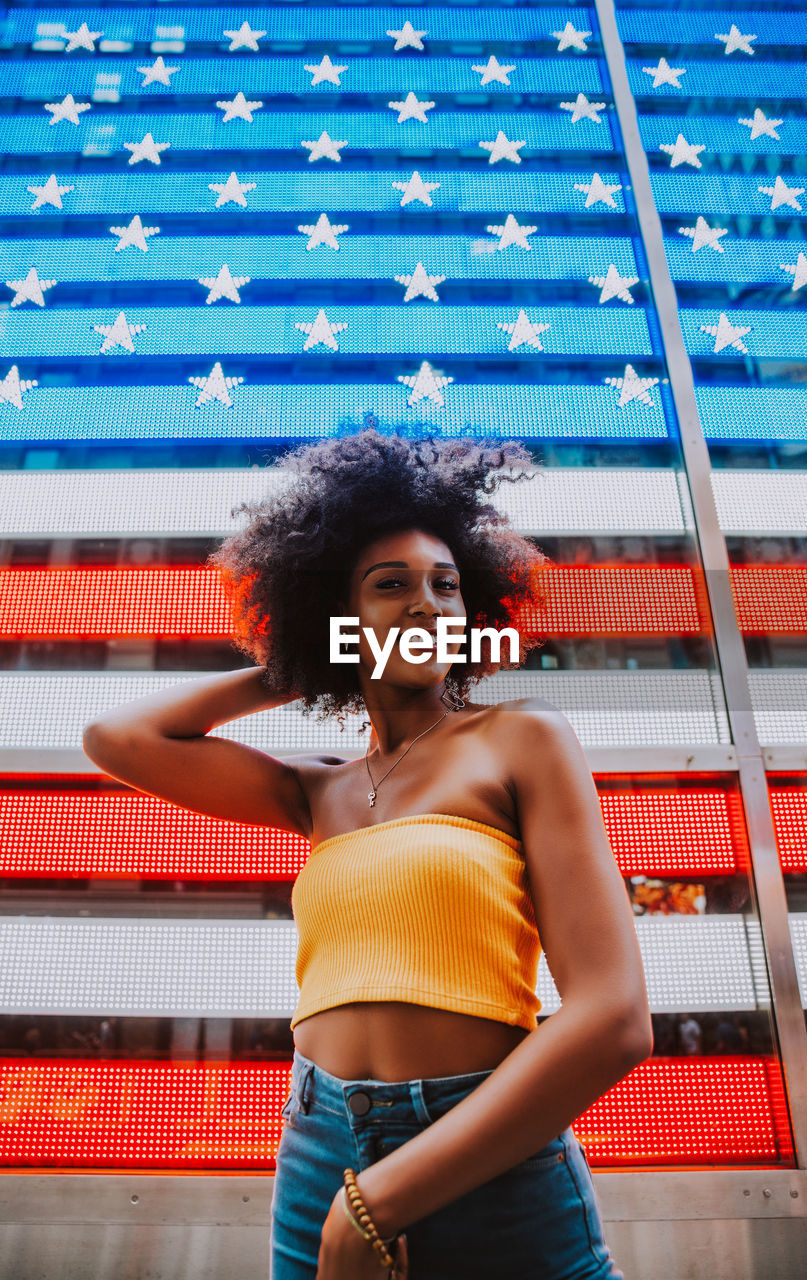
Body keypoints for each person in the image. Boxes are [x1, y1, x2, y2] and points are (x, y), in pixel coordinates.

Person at [82, 430, 652, 1280]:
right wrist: (308, 660)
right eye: (392, 587)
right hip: (320, 1146)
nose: (426, 605)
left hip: (484, 1148)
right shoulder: (318, 791)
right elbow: (120, 739)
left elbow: (613, 1019)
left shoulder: (521, 738)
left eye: (446, 586)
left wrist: (375, 1206)